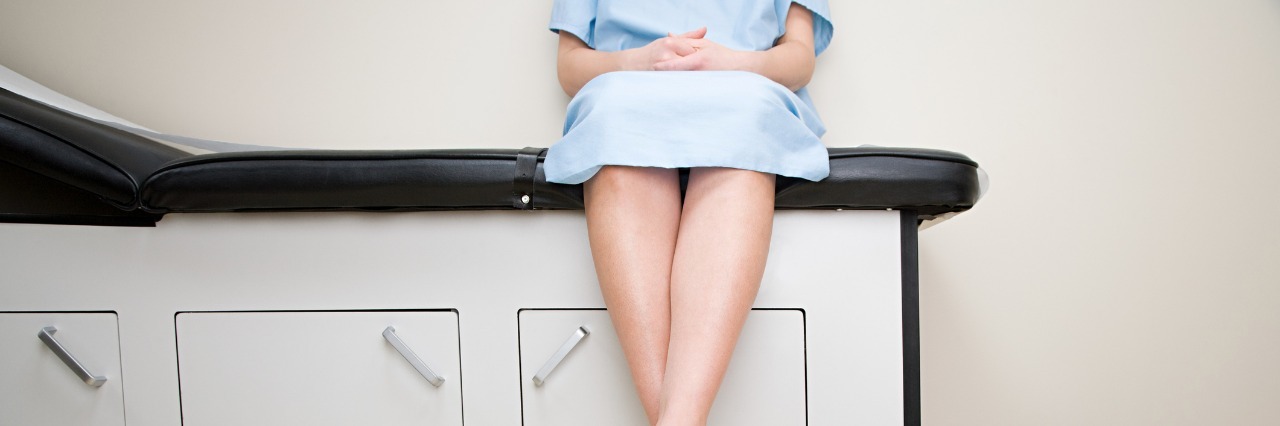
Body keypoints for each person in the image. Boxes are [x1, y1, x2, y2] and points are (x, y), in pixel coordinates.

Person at [546, 1, 833, 425]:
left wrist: (733, 62)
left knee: (746, 114)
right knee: (614, 114)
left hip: (743, 91)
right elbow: (570, 67)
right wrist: (639, 60)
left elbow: (799, 57)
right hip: (627, 92)